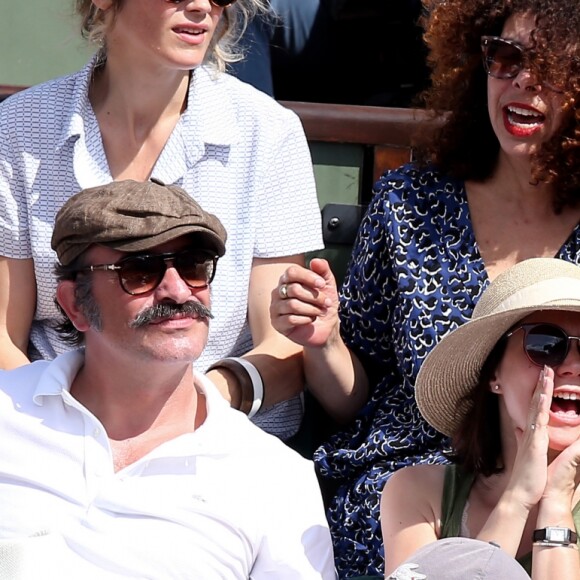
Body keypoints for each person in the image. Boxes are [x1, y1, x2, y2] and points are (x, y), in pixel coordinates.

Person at [269, 0, 580, 575]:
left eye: (556, 66)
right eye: (507, 57)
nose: (524, 80)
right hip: (408, 493)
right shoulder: (410, 202)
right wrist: (324, 342)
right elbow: (356, 397)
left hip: (566, 482)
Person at [0, 0, 324, 440]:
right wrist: (61, 424)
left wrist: (200, 404)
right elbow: (4, 339)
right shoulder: (18, 128)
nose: (200, 6)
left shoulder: (268, 132)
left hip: (220, 437)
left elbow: (285, 347)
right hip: (48, 432)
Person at [0, 179, 336, 579]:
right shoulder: (8, 413)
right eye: (139, 270)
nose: (178, 291)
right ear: (75, 304)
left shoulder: (272, 478)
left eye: (193, 266)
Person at [381, 257, 580, 579]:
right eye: (546, 345)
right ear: (493, 373)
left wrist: (556, 505)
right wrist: (518, 499)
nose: (573, 365)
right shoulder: (418, 492)